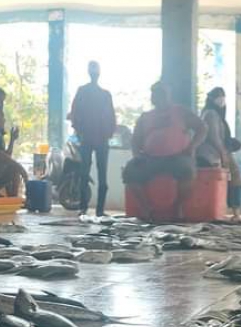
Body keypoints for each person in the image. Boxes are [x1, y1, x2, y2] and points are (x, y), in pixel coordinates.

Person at [123, 81, 207, 219]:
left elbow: (202, 128)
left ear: (169, 95)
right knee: (130, 171)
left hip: (178, 156)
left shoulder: (181, 111)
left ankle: (178, 206)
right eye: (154, 93)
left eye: (161, 93)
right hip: (150, 158)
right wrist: (137, 155)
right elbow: (135, 140)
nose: (157, 96)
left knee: (188, 170)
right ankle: (146, 208)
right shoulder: (145, 116)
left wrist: (192, 147)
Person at [68, 60, 117, 216]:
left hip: (88, 138)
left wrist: (79, 131)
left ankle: (84, 208)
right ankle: (99, 211)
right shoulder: (104, 94)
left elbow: (75, 114)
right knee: (100, 175)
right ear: (98, 73)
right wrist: (107, 134)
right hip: (99, 139)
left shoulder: (83, 91)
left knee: (84, 173)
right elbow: (111, 118)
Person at [195, 87, 241, 220]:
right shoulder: (210, 114)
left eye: (223, 96)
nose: (222, 99)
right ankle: (234, 213)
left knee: (231, 179)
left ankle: (232, 212)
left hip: (219, 152)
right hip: (212, 154)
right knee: (234, 178)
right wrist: (223, 153)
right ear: (211, 99)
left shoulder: (216, 115)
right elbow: (213, 136)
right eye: (218, 96)